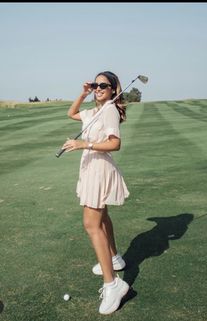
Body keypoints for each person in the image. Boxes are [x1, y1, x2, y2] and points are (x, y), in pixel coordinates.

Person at [63, 71, 130, 314]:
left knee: (91, 224)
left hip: (99, 168)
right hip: (91, 167)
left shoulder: (110, 109)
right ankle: (114, 259)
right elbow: (71, 113)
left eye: (103, 85)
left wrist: (84, 144)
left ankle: (113, 285)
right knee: (102, 218)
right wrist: (83, 93)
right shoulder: (95, 112)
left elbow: (116, 143)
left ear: (113, 89)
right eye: (95, 84)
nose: (99, 88)